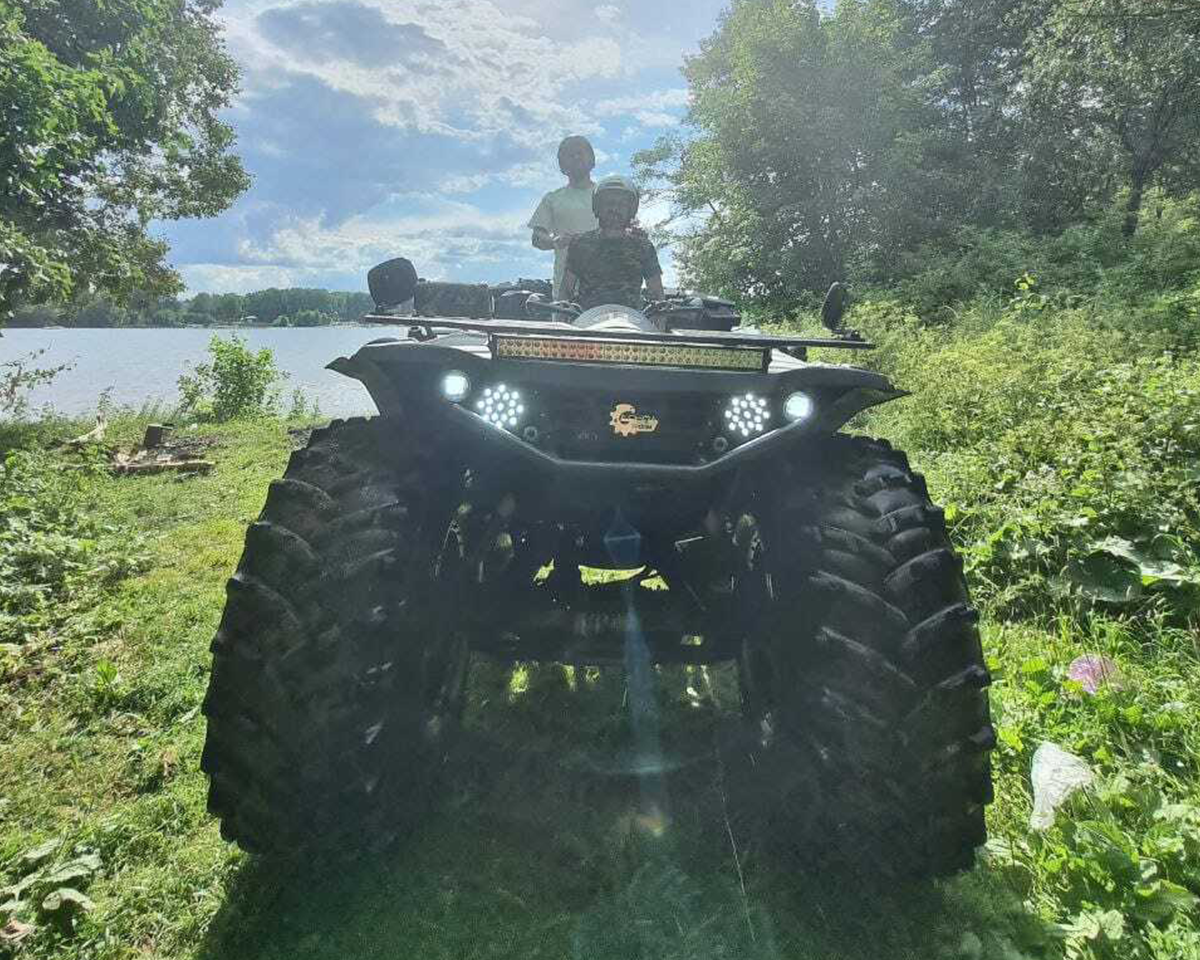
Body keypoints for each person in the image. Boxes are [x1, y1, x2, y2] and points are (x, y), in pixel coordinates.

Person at [561, 176, 664, 312]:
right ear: (597, 207)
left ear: (631, 210)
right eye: (609, 203)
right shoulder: (580, 244)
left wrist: (659, 321)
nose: (615, 209)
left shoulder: (644, 247)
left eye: (622, 204)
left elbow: (656, 294)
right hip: (587, 320)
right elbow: (566, 290)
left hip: (632, 320)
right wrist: (561, 321)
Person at [527, 135, 599, 300]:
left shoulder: (607, 195)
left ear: (592, 160)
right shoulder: (552, 199)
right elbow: (537, 238)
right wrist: (554, 241)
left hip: (606, 287)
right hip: (566, 291)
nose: (576, 157)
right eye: (570, 154)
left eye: (580, 153)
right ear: (562, 165)